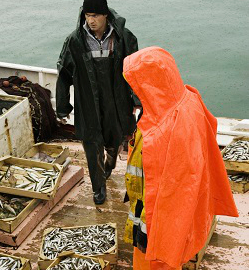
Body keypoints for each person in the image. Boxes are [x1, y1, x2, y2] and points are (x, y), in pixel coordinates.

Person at [122, 47, 239, 270]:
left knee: (158, 258)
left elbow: (172, 193)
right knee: (170, 252)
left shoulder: (165, 131)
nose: (133, 91)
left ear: (151, 84)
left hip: (157, 216)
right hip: (156, 207)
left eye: (137, 84)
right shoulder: (188, 100)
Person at [56, 0, 140, 205]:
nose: (91, 20)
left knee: (115, 141)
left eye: (95, 16)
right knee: (92, 144)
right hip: (88, 103)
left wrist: (137, 99)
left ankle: (109, 166)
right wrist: (62, 107)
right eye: (87, 15)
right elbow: (64, 75)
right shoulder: (75, 41)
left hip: (116, 101)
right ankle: (98, 186)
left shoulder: (124, 38)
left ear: (106, 16)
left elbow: (136, 70)